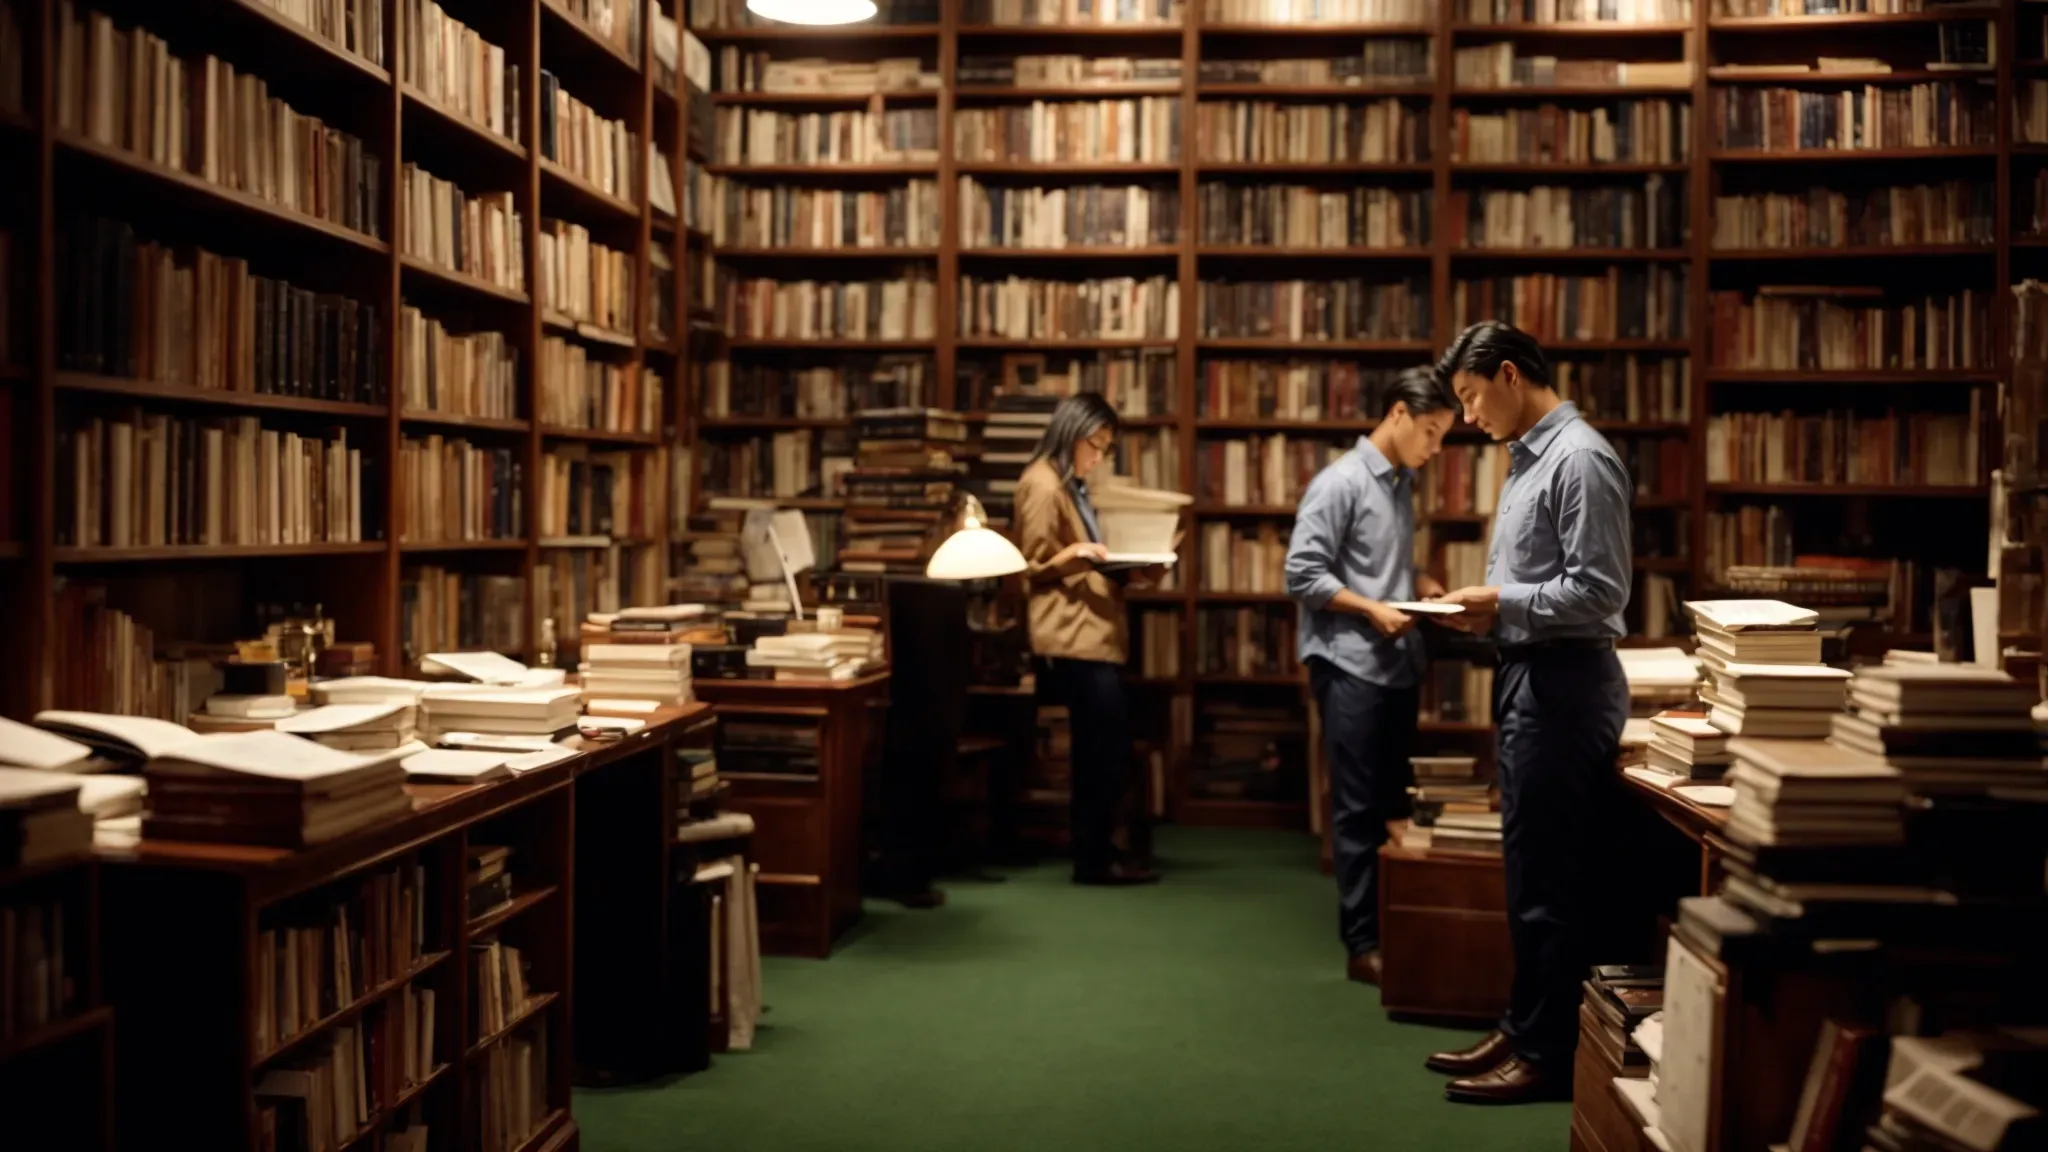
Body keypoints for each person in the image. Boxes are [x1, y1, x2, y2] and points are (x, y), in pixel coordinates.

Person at [1425, 322, 1634, 1104]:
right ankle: (1523, 1025)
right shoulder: (1528, 459)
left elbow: (1600, 592)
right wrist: (1489, 613)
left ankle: (1546, 1049)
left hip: (1565, 685)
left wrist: (1499, 601)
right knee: (1527, 873)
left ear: (1510, 375)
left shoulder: (1579, 459)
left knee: (1551, 879)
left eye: (1473, 398)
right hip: (1529, 675)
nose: (1469, 418)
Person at [1284, 368, 1458, 987]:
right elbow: (1301, 576)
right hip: (1351, 662)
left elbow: (1376, 564)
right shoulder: (1339, 483)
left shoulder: (1399, 480)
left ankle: (1388, 927)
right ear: (1398, 414)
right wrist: (1371, 608)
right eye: (1432, 433)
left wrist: (1418, 587)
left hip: (1394, 663)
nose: (1436, 450)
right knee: (1358, 809)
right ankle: (1362, 943)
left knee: (1389, 805)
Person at [1014, 392, 1162, 887]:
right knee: (1101, 749)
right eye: (1093, 445)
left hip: (1093, 632)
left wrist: (1126, 572)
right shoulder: (1041, 483)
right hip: (1071, 636)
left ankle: (1099, 852)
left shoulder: (1068, 483)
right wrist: (1077, 552)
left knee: (1105, 748)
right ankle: (1093, 858)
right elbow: (1029, 568)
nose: (1098, 458)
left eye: (1105, 448)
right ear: (1070, 433)